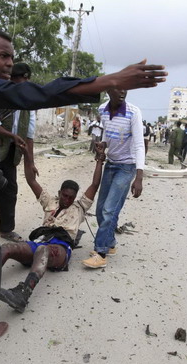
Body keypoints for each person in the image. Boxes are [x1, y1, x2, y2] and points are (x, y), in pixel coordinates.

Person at [0, 29, 167, 347]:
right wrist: (109, 80)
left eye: (12, 56)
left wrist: (12, 138)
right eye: (3, 56)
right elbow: (40, 95)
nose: (9, 63)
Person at [0, 145, 106, 313]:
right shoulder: (50, 201)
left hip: (60, 248)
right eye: (65, 195)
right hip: (39, 241)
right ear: (59, 192)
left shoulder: (79, 207)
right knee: (8, 248)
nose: (67, 200)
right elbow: (31, 180)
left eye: (71, 197)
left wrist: (99, 160)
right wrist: (27, 155)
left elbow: (95, 184)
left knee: (43, 250)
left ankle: (23, 294)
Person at [82, 88, 145, 268]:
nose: (123, 91)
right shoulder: (103, 109)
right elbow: (107, 135)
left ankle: (100, 253)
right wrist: (103, 145)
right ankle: (109, 244)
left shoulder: (133, 112)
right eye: (118, 88)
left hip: (127, 167)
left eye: (126, 88)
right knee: (101, 208)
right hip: (111, 163)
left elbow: (140, 144)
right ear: (109, 90)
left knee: (110, 209)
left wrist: (139, 176)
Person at [0, 62, 35, 243]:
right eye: (20, 79)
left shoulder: (28, 103)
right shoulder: (0, 96)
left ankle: (6, 230)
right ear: (12, 79)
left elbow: (29, 135)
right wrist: (11, 135)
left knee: (10, 190)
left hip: (11, 152)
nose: (24, 83)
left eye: (27, 80)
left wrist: (30, 162)